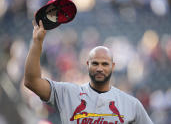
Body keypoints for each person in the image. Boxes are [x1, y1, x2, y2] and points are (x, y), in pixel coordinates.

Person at [24, 20, 153, 124]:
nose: (100, 68)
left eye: (105, 64)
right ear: (87, 65)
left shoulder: (131, 104)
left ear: (113, 67)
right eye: (95, 63)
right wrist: (37, 43)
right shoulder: (68, 93)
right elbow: (32, 82)